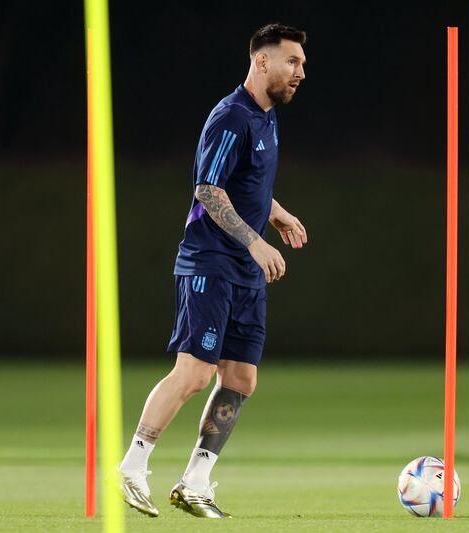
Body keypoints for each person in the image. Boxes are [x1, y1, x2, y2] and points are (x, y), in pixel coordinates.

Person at [118, 23, 308, 519]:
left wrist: (275, 210)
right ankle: (133, 466)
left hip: (243, 271)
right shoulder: (232, 117)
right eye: (292, 62)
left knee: (242, 377)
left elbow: (246, 184)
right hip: (210, 262)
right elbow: (208, 189)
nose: (300, 73)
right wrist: (256, 242)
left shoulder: (267, 119)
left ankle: (195, 482)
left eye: (302, 65)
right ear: (261, 61)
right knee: (196, 373)